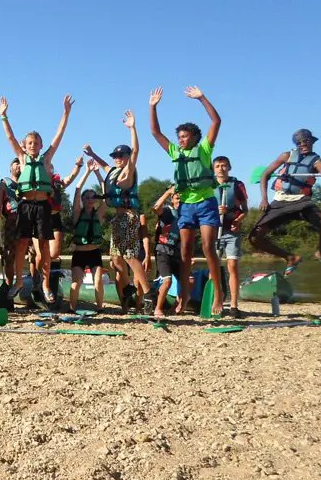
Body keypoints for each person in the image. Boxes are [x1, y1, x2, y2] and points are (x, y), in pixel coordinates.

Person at [149, 85, 223, 316]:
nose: (181, 140)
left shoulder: (204, 149)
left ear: (194, 137)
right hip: (187, 207)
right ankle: (183, 296)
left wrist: (202, 98)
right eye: (179, 136)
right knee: (185, 254)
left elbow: (216, 121)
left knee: (209, 247)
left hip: (206, 203)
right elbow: (155, 132)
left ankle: (219, 294)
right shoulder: (174, 152)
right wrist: (153, 107)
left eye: (185, 136)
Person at [0, 94, 74, 304]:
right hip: (25, 206)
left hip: (42, 206)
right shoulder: (22, 158)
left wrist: (66, 113)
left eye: (36, 142)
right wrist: (4, 117)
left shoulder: (46, 158)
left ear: (40, 145)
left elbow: (59, 135)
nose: (33, 145)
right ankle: (20, 282)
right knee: (21, 245)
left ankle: (46, 283)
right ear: (25, 145)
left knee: (44, 246)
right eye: (30, 143)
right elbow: (10, 138)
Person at [84, 111, 157, 314]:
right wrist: (92, 154)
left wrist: (133, 128)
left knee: (130, 256)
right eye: (115, 156)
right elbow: (105, 165)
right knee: (116, 259)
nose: (117, 158)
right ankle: (127, 289)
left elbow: (135, 152)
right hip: (117, 218)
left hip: (128, 216)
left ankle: (149, 293)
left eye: (120, 156)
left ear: (126, 157)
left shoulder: (129, 170)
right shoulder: (114, 170)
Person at [249, 129, 321, 274]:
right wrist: (264, 198)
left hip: (302, 201)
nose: (303, 144)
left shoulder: (316, 160)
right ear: (296, 144)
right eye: (299, 142)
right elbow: (265, 174)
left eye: (306, 141)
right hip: (280, 200)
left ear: (312, 141)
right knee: (255, 237)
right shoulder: (286, 155)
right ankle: (290, 258)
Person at [213, 156, 249, 317]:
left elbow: (244, 210)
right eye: (218, 166)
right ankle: (216, 302)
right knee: (213, 268)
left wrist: (237, 220)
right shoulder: (208, 185)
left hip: (231, 232)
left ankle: (234, 305)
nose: (221, 168)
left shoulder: (237, 185)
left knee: (232, 266)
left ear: (229, 167)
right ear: (213, 169)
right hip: (213, 231)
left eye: (224, 166)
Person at [69, 160, 106, 312]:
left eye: (92, 197)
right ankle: (72, 308)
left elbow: (105, 193)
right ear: (83, 201)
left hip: (94, 253)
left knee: (98, 281)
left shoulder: (99, 215)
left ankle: (99, 308)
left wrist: (98, 172)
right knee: (77, 282)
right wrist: (87, 172)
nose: (90, 200)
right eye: (87, 198)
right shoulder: (78, 214)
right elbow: (77, 190)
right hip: (79, 253)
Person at [46, 158, 84, 299]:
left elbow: (69, 179)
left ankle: (50, 282)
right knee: (39, 255)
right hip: (40, 219)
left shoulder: (57, 182)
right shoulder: (37, 181)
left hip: (55, 219)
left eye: (50, 167)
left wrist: (78, 166)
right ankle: (40, 283)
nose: (49, 169)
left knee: (54, 253)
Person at [151, 186, 182, 317]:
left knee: (189, 280)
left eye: (182, 199)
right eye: (177, 198)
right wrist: (167, 192)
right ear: (172, 199)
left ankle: (177, 306)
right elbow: (155, 208)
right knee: (167, 281)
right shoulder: (166, 211)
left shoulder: (185, 214)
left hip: (176, 252)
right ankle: (158, 308)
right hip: (162, 250)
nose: (180, 201)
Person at [0, 158, 22, 289]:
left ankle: (36, 286)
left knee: (34, 253)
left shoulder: (28, 182)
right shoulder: (4, 183)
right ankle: (8, 286)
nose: (19, 166)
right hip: (12, 220)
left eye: (20, 163)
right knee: (9, 255)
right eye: (16, 163)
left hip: (29, 219)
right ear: (10, 167)